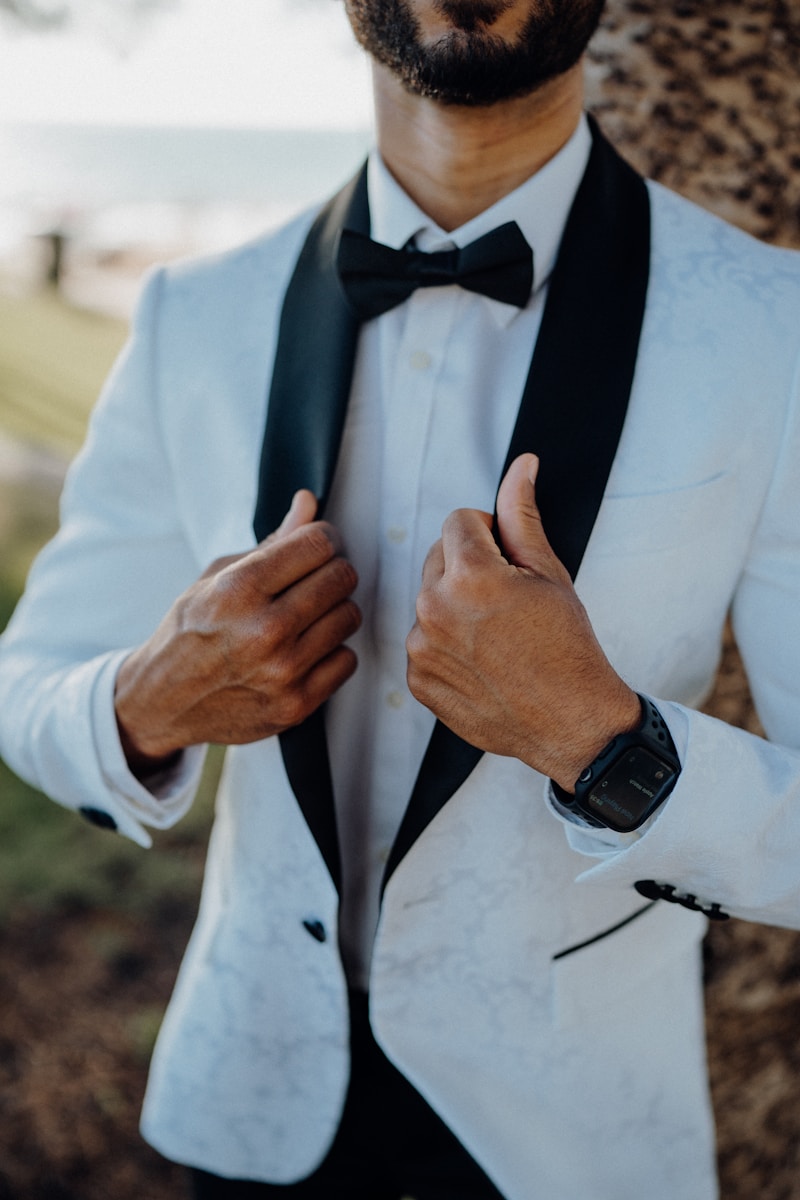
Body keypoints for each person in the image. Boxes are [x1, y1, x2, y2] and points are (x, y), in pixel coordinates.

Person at [1, 1, 800, 1197]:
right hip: (256, 1105)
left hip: (568, 1140)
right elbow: (26, 688)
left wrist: (602, 741)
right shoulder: (193, 314)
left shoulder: (772, 330)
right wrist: (143, 702)